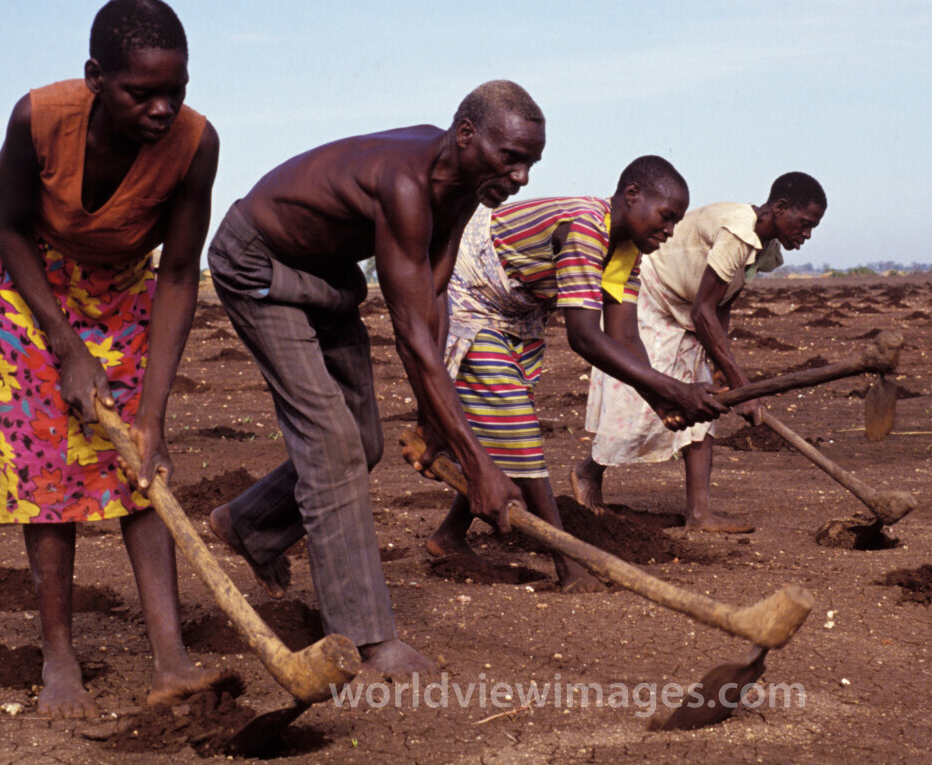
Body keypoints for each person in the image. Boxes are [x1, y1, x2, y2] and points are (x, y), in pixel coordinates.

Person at [205, 81, 546, 677]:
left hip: (326, 277)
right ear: (466, 136)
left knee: (364, 441)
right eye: (510, 158)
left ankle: (249, 523)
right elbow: (412, 337)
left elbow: (434, 296)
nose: (520, 178)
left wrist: (431, 419)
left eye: (530, 164)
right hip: (258, 264)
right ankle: (366, 639)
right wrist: (478, 468)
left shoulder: (463, 185)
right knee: (332, 447)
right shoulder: (406, 185)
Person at [0, 0, 223, 719]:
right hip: (28, 284)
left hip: (125, 291)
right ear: (96, 76)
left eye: (177, 91)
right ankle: (59, 655)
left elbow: (180, 274)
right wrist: (65, 349)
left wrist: (153, 416)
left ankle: (170, 658)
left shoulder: (196, 144)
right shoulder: (38, 118)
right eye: (143, 92)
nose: (163, 109)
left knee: (141, 462)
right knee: (46, 467)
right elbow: (5, 224)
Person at [425, 156, 729, 591]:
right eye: (666, 217)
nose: (670, 231)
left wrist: (661, 399)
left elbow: (624, 336)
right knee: (515, 420)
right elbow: (583, 337)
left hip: (515, 309)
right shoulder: (587, 226)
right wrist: (672, 389)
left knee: (505, 430)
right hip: (467, 291)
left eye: (676, 222)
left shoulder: (626, 252)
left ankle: (449, 535)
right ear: (632, 195)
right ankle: (568, 562)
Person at [571, 172, 827, 532]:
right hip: (651, 296)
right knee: (642, 397)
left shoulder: (764, 247)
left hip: (688, 309)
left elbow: (721, 303)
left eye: (812, 228)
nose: (806, 235)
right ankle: (588, 471)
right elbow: (703, 311)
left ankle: (699, 513)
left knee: (704, 402)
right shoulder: (739, 231)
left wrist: (722, 370)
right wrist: (742, 383)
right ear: (780, 208)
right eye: (804, 224)